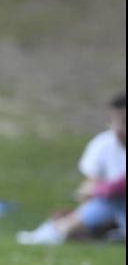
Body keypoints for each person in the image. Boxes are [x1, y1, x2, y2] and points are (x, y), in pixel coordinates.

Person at [18, 92, 126, 245]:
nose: (120, 127)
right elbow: (91, 186)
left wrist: (97, 191)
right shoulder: (103, 144)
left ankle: (57, 230)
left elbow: (114, 187)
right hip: (106, 206)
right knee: (103, 204)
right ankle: (63, 229)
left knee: (112, 198)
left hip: (112, 201)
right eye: (118, 121)